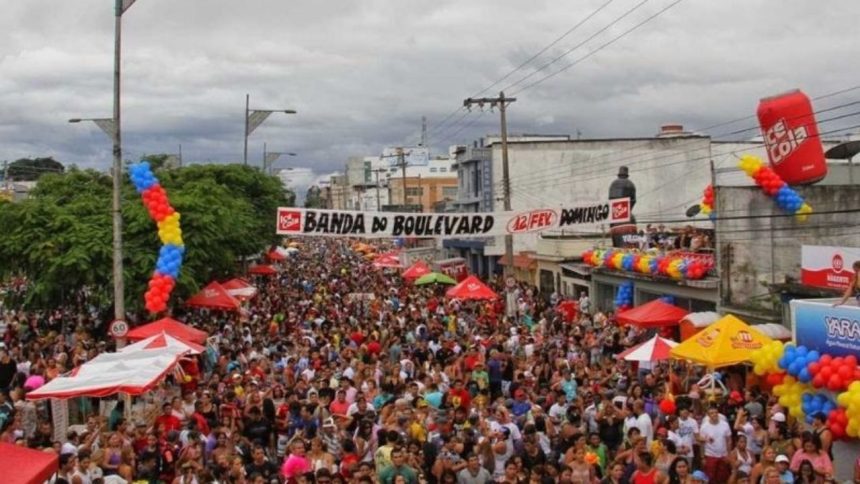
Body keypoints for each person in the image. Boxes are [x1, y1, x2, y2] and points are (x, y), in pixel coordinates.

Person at [698, 406, 731, 483]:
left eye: (716, 412)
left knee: (723, 478)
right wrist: (702, 457)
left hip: (723, 455)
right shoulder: (704, 427)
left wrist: (728, 454)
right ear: (708, 415)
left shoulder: (725, 424)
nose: (714, 414)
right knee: (710, 478)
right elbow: (701, 442)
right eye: (712, 413)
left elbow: (729, 440)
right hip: (710, 455)